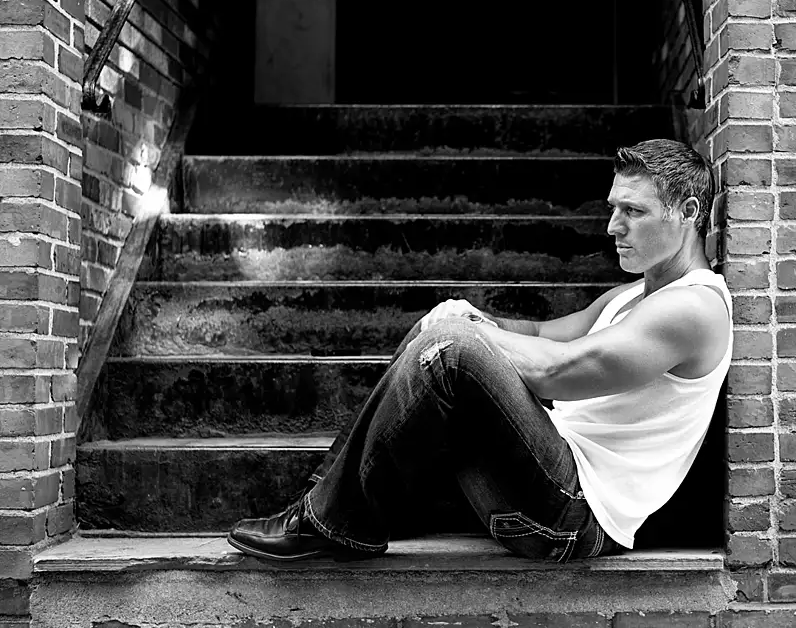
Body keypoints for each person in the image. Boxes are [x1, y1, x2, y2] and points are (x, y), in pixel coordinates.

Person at [227, 138, 733, 563]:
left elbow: (558, 370)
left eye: (633, 212)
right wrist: (473, 317)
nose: (612, 227)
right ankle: (322, 507)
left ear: (688, 212)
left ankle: (330, 521)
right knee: (442, 329)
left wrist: (467, 334)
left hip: (572, 517)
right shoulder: (631, 296)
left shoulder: (694, 307)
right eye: (613, 209)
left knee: (452, 348)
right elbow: (541, 333)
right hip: (538, 488)